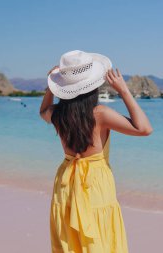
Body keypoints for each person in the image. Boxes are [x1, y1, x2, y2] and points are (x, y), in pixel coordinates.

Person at [39, 50, 153, 253]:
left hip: (66, 181)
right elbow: (144, 129)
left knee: (69, 238)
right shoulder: (100, 114)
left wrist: (50, 88)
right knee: (99, 236)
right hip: (94, 183)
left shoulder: (58, 114)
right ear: (93, 87)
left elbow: (43, 111)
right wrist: (124, 91)